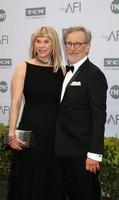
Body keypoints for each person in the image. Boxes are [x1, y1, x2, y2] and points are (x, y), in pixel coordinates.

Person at [7, 26, 65, 200]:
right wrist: (11, 133)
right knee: (27, 177)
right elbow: (15, 103)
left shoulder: (62, 70)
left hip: (54, 134)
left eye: (46, 41)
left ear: (53, 44)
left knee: (51, 179)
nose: (41, 45)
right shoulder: (23, 67)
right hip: (29, 131)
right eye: (38, 41)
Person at [54, 26, 108, 200]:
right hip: (61, 151)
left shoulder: (94, 75)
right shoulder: (63, 72)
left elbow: (99, 117)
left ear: (88, 46)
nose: (72, 48)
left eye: (77, 43)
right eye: (68, 43)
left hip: (82, 155)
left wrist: (94, 154)